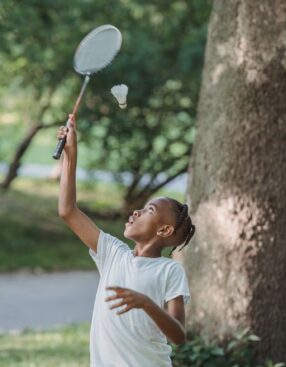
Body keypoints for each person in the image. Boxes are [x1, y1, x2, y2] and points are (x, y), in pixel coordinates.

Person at [57, 115, 195, 367]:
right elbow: (68, 211)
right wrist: (70, 153)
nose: (137, 212)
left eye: (149, 211)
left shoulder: (169, 270)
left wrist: (146, 304)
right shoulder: (112, 253)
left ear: (164, 230)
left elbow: (178, 336)